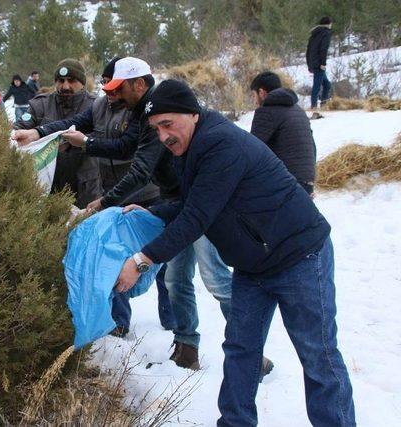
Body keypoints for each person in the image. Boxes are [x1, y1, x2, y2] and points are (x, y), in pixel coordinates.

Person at [116, 79, 355, 427]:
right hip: (253, 264)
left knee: (318, 354)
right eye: (156, 128)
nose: (163, 135)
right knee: (241, 350)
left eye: (168, 124)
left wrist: (141, 260)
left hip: (299, 255)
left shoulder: (220, 143)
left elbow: (197, 216)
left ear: (192, 114)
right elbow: (194, 202)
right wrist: (153, 211)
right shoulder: (190, 148)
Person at [73, 57, 249, 372]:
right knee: (176, 277)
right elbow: (127, 149)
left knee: (217, 279)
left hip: (203, 203)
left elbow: (141, 169)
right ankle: (186, 347)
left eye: (120, 88)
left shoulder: (163, 112)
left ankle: (251, 348)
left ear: (139, 84)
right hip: (175, 202)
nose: (115, 95)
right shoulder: (143, 115)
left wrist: (103, 202)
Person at [14, 58, 173, 336]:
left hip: (148, 196)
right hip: (117, 196)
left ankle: (176, 327)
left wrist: (87, 146)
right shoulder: (100, 106)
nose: (112, 94)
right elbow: (73, 123)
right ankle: (118, 324)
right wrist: (39, 132)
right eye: (107, 87)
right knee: (114, 259)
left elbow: (128, 153)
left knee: (169, 269)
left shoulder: (141, 111)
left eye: (116, 89)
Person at [14, 59, 102, 208]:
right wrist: (17, 134)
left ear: (82, 82)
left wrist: (72, 144)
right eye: (60, 81)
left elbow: (104, 138)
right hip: (47, 185)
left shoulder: (96, 105)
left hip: (86, 185)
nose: (65, 86)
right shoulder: (40, 104)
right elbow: (21, 127)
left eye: (71, 81)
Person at [250, 71, 317, 195]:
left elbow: (252, 150)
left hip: (285, 183)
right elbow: (312, 147)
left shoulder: (267, 111)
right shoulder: (298, 110)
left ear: (262, 93)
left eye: (254, 95)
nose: (254, 102)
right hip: (306, 182)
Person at [306, 16, 333, 109]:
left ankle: (323, 103)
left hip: (313, 62)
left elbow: (308, 50)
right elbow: (323, 49)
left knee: (327, 84)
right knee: (317, 85)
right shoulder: (326, 33)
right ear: (329, 24)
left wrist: (309, 64)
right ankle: (314, 106)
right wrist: (323, 63)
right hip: (319, 63)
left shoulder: (314, 34)